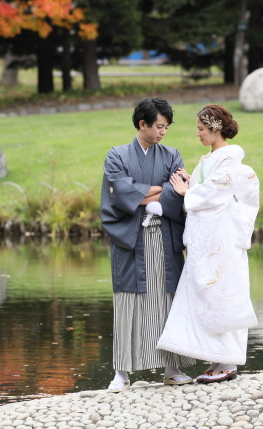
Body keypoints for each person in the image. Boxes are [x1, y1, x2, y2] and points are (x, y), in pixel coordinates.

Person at [156, 104, 260, 384]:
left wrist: (188, 191)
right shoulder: (211, 159)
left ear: (215, 129)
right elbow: (207, 189)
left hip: (221, 239)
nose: (198, 135)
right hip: (206, 239)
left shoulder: (229, 162)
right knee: (204, 294)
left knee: (224, 292)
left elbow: (214, 194)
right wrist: (192, 185)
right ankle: (216, 358)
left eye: (202, 129)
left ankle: (228, 361)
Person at [100, 97, 195, 390]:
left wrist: (142, 194)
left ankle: (172, 367)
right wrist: (161, 190)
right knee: (128, 303)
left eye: (166, 126)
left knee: (169, 302)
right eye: (159, 126)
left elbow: (179, 191)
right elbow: (119, 195)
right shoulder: (117, 155)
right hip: (132, 240)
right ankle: (121, 373)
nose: (163, 132)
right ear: (143, 124)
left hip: (165, 237)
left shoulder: (172, 155)